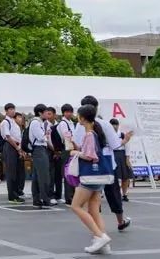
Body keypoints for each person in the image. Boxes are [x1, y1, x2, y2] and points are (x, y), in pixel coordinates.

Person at [76, 96, 131, 232]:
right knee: (113, 194)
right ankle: (120, 220)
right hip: (107, 164)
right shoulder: (105, 124)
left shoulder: (80, 125)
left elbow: (78, 144)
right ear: (96, 108)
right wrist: (125, 140)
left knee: (92, 199)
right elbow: (115, 144)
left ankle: (97, 228)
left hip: (90, 166)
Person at [70, 104, 113, 254]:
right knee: (94, 209)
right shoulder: (95, 133)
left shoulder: (89, 134)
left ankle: (100, 236)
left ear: (82, 118)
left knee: (75, 206)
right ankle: (102, 241)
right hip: (99, 177)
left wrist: (75, 152)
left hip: (90, 176)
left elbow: (89, 156)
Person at [28, 104, 53, 208]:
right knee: (43, 175)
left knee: (37, 176)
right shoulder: (35, 122)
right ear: (40, 113)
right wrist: (46, 135)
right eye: (45, 112)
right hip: (39, 149)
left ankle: (37, 199)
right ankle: (45, 198)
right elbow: (41, 137)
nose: (47, 114)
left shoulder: (39, 122)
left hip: (40, 149)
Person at [0, 103, 25, 204]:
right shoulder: (5, 122)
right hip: (10, 146)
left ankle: (17, 192)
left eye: (13, 109)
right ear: (6, 111)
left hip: (17, 147)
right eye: (10, 109)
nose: (12, 111)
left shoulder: (14, 122)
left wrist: (20, 149)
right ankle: (12, 196)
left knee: (19, 172)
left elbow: (19, 137)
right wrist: (17, 148)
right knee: (11, 173)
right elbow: (8, 137)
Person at [109, 119, 134, 201]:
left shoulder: (122, 134)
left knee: (125, 176)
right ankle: (114, 194)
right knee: (114, 177)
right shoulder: (108, 135)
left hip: (122, 155)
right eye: (113, 125)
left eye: (116, 124)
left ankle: (124, 194)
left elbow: (127, 146)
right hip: (112, 154)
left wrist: (127, 158)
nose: (115, 126)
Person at [57, 104, 77, 204]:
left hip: (72, 149)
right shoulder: (63, 123)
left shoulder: (71, 123)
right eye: (67, 112)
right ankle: (69, 197)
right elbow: (67, 137)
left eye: (70, 111)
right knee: (68, 173)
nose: (69, 113)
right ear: (63, 113)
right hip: (67, 149)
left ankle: (73, 195)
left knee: (73, 172)